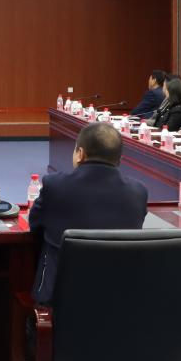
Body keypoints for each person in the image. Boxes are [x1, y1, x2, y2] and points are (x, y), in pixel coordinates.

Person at [28, 122, 148, 304]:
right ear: (119, 159)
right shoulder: (138, 192)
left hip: (59, 301)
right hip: (120, 299)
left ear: (80, 153)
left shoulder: (55, 185)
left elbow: (34, 225)